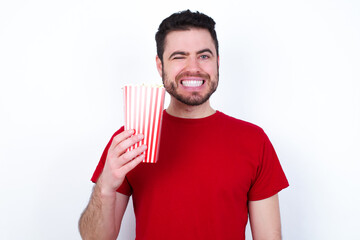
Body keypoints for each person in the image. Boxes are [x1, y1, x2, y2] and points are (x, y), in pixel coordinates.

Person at [79, 10, 289, 240]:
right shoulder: (131, 138)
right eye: (179, 56)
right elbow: (94, 238)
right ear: (160, 66)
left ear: (217, 62)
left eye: (204, 56)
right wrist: (106, 188)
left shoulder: (254, 140)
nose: (193, 67)